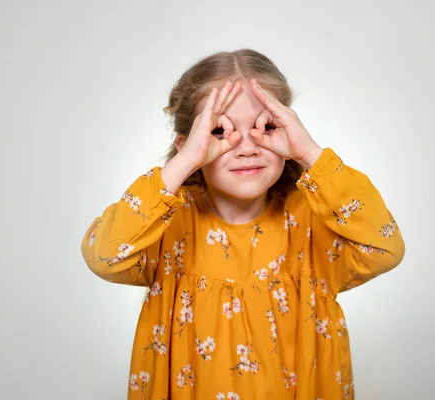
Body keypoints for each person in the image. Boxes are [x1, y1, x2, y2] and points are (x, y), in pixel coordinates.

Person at [80, 48, 405, 399]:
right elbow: (106, 255)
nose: (247, 147)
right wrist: (185, 161)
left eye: (266, 127)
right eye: (220, 130)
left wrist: (310, 154)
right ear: (187, 144)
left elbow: (384, 248)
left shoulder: (312, 222)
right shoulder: (167, 225)